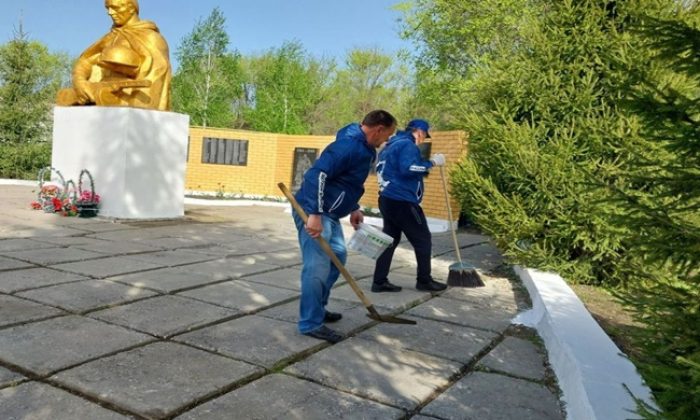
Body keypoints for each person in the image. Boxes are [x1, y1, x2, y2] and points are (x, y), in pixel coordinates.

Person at [293, 110, 397, 343]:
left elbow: (346, 181)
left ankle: (317, 308)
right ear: (378, 129)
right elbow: (317, 175)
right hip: (314, 211)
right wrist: (315, 214)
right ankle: (310, 323)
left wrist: (353, 207)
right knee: (317, 266)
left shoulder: (365, 147)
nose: (386, 140)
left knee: (338, 256)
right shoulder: (349, 146)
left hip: (329, 212)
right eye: (387, 134)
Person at [371, 119, 448, 293]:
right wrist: (432, 163)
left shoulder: (390, 146)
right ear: (419, 132)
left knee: (390, 241)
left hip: (387, 200)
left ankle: (379, 281)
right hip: (402, 201)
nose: (423, 139)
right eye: (424, 135)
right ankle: (424, 280)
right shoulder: (407, 145)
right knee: (423, 240)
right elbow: (409, 168)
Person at [56, 0, 172, 110]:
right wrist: (80, 81)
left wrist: (133, 106)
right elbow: (86, 61)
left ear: (131, 8)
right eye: (108, 8)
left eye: (115, 8)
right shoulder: (111, 37)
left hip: (126, 98)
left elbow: (157, 73)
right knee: (63, 97)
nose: (110, 13)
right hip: (98, 91)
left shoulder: (152, 38)